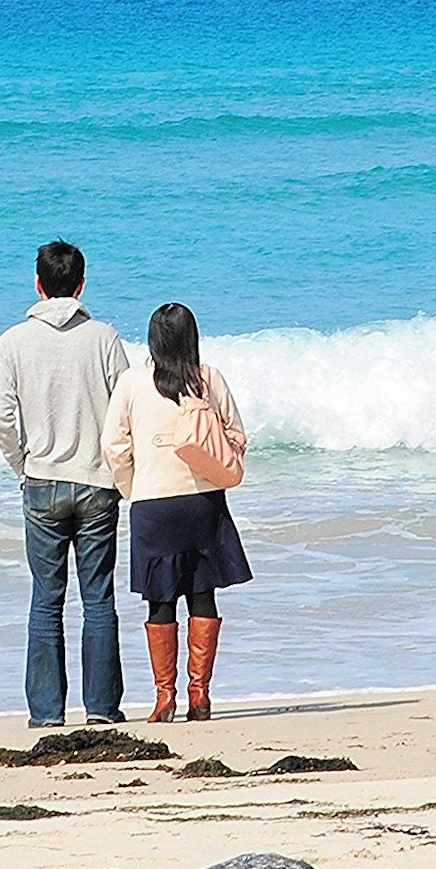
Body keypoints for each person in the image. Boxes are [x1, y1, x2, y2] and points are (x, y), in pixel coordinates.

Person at [0, 239, 131, 726]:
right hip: (96, 482)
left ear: (38, 284)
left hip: (42, 481)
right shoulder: (104, 338)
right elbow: (124, 409)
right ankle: (102, 710)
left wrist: (20, 464)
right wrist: (118, 467)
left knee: (46, 600)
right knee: (98, 598)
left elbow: (0, 416)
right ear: (82, 284)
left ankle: (47, 713)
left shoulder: (13, 341)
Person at [100, 299, 251, 722]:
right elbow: (237, 434)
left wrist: (134, 489)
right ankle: (199, 695)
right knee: (203, 594)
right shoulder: (208, 379)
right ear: (192, 337)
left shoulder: (131, 383)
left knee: (159, 601)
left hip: (152, 505)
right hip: (202, 502)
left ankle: (164, 698)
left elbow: (113, 446)